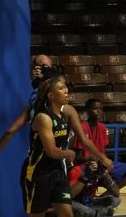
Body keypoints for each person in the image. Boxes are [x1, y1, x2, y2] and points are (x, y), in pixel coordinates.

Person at [0, 58, 113, 179]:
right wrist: (101, 157)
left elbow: (10, 131)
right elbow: (83, 140)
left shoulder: (35, 106)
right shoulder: (61, 111)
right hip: (44, 165)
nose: (66, 90)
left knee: (62, 204)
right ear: (51, 92)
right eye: (62, 87)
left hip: (48, 164)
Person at [21, 75, 77, 217]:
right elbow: (51, 151)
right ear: (51, 95)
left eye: (65, 87)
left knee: (67, 214)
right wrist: (69, 154)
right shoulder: (43, 118)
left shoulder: (63, 116)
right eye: (61, 88)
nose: (66, 90)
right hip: (38, 173)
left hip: (56, 171)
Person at [72, 98, 126, 192]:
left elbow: (103, 153)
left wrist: (106, 164)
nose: (99, 111)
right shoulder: (82, 127)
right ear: (88, 111)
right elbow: (77, 158)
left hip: (101, 164)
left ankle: (105, 197)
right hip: (87, 165)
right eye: (95, 109)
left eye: (100, 109)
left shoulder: (102, 128)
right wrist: (91, 159)